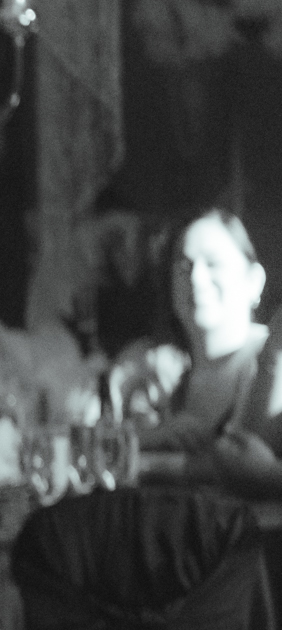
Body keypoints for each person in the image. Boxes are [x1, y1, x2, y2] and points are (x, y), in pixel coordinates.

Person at [115, 209, 281, 491]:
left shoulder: (273, 359)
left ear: (254, 281)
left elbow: (242, 468)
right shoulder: (166, 375)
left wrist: (146, 456)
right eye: (184, 266)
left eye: (213, 263)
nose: (196, 278)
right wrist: (153, 435)